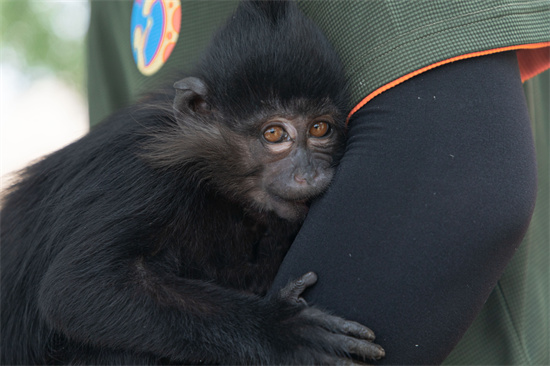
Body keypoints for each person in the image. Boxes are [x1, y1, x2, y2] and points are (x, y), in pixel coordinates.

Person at [87, 1, 549, 364]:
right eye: (274, 136)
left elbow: (457, 171)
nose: (307, 173)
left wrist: (277, 338)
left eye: (322, 132)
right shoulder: (110, 18)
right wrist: (263, 334)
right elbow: (97, 287)